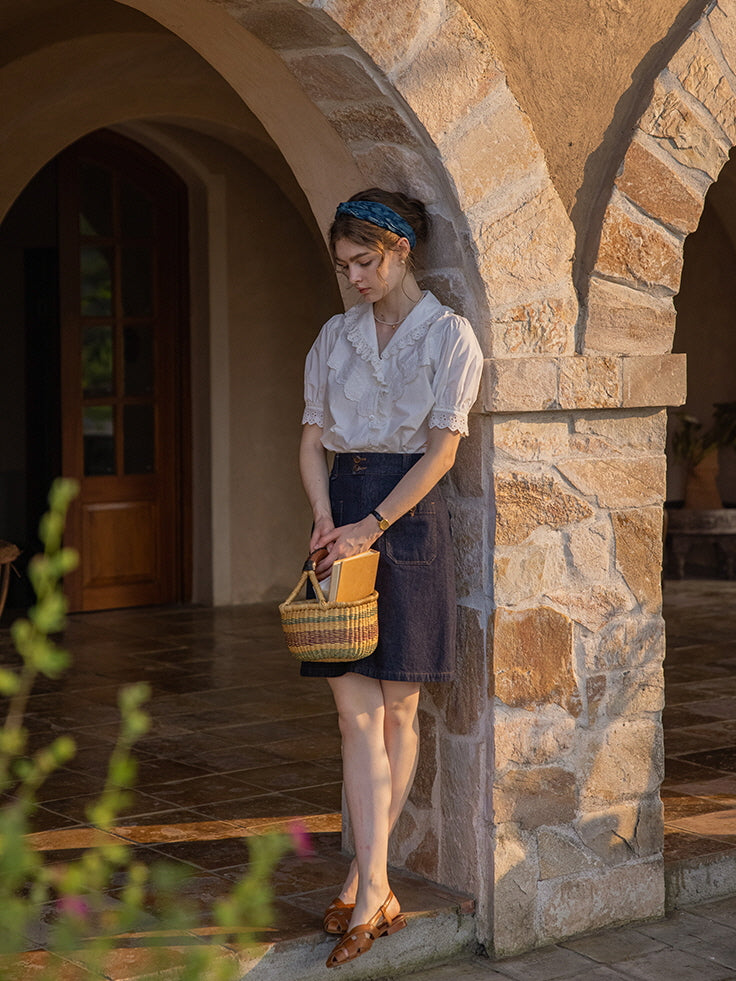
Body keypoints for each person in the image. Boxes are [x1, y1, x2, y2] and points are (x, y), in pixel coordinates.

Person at [298, 188, 483, 969]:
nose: (354, 278)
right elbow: (311, 440)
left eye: (365, 261)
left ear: (401, 249)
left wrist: (372, 525)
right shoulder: (334, 338)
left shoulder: (450, 335)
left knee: (399, 706)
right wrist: (322, 518)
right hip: (339, 512)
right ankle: (376, 883)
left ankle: (365, 878)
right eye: (344, 266)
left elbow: (442, 451)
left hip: (406, 518)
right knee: (353, 713)